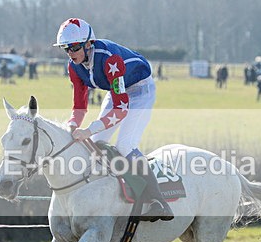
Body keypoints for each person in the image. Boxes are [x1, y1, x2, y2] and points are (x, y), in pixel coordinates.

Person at [54, 17, 173, 222]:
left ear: (88, 43)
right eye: (66, 48)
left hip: (139, 91)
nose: (70, 53)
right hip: (116, 91)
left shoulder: (110, 60)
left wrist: (88, 130)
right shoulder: (74, 67)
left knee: (125, 145)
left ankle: (158, 201)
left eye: (74, 47)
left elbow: (120, 110)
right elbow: (80, 106)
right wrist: (72, 125)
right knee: (97, 143)